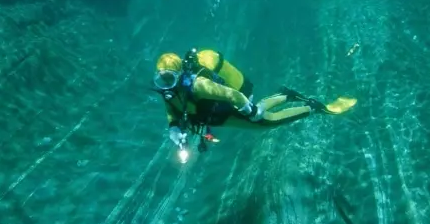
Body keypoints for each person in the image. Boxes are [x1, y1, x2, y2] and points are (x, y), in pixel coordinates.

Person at [153, 48, 357, 154]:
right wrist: (173, 127)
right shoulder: (169, 92)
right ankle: (286, 95)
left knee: (265, 123)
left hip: (226, 107)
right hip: (215, 115)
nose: (165, 85)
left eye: (169, 78)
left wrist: (249, 110)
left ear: (180, 75)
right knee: (261, 114)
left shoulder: (198, 85)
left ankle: (312, 107)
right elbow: (171, 109)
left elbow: (231, 95)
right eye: (161, 79)